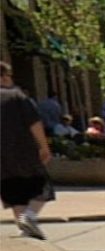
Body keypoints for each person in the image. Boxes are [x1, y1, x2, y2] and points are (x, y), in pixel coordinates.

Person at [0, 60, 52, 240]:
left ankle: (25, 230)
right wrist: (44, 146)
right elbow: (34, 123)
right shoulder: (16, 96)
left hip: (2, 156)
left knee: (13, 190)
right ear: (4, 77)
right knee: (41, 186)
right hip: (24, 149)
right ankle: (29, 216)